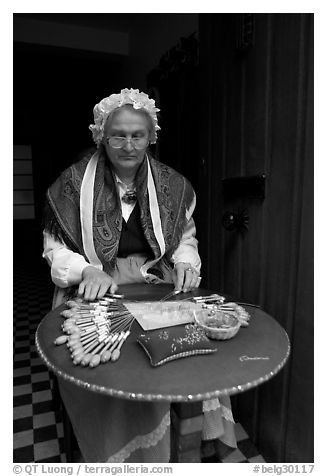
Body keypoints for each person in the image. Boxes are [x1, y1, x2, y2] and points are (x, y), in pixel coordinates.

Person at [42, 88, 236, 462]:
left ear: (151, 137)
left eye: (138, 135)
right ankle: (127, 454)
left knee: (188, 350)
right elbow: (53, 246)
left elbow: (185, 237)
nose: (128, 145)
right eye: (118, 134)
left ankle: (188, 438)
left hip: (154, 281)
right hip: (96, 282)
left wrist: (185, 262)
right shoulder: (72, 183)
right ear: (101, 134)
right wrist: (85, 270)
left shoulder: (171, 184)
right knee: (113, 365)